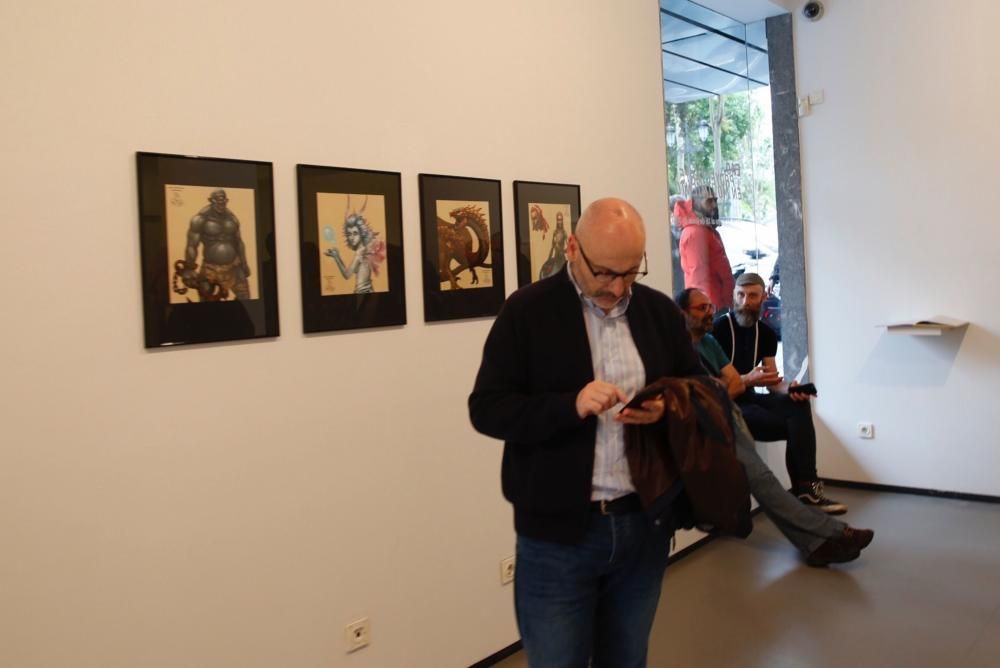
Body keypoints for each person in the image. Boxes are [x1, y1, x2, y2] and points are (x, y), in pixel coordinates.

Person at [469, 198, 704, 667]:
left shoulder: (657, 312)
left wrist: (665, 407)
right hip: (556, 538)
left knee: (627, 660)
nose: (618, 288)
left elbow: (697, 389)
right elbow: (488, 410)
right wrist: (568, 406)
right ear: (572, 249)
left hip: (644, 525)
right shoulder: (527, 312)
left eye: (631, 273)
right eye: (605, 274)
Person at [676, 287, 874, 566]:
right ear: (682, 313)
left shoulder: (712, 341)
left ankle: (809, 508)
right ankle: (833, 533)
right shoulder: (682, 347)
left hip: (730, 411)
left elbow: (735, 383)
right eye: (701, 308)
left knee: (793, 415)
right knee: (764, 481)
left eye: (710, 307)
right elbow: (706, 392)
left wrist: (775, 387)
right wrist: (729, 385)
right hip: (712, 424)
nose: (710, 312)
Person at [712, 272, 847, 513]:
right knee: (796, 429)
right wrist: (747, 379)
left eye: (752, 296)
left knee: (798, 404)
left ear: (763, 297)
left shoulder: (765, 333)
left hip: (751, 398)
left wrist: (791, 388)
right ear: (733, 296)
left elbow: (772, 381)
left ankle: (806, 487)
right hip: (727, 402)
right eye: (740, 295)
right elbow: (711, 386)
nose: (745, 302)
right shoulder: (719, 329)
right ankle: (803, 490)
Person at [180, 189, 252, 301]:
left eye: (224, 201)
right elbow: (192, 245)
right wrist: (189, 267)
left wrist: (244, 263)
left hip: (233, 267)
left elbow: (238, 242)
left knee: (246, 299)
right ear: (211, 200)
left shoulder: (232, 218)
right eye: (218, 201)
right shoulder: (200, 219)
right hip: (210, 269)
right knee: (206, 305)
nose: (221, 204)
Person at [673, 185, 734, 311]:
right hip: (710, 307)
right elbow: (699, 278)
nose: (714, 205)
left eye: (715, 200)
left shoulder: (703, 229)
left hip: (715, 304)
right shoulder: (696, 233)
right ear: (696, 204)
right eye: (709, 201)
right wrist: (705, 309)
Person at [324, 197, 386, 294]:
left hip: (363, 293)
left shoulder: (360, 252)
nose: (352, 237)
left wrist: (337, 257)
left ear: (361, 234)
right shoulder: (364, 249)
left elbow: (347, 275)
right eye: (349, 234)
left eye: (355, 233)